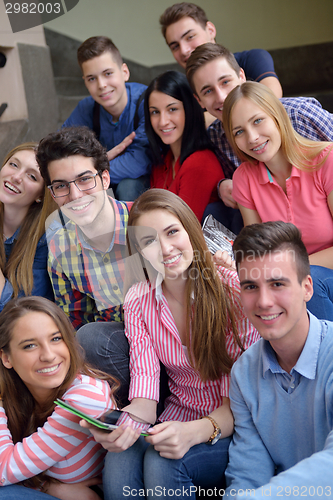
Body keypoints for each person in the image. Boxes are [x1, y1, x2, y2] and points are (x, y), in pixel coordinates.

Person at [81, 189, 259, 499]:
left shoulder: (233, 291)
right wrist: (124, 427)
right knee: (121, 459)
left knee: (162, 464)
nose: (164, 249)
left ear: (189, 229)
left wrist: (194, 432)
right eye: (149, 241)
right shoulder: (138, 299)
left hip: (234, 425)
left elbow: (245, 400)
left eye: (172, 232)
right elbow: (146, 392)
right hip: (176, 417)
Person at [224, 221, 333, 499]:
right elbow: (248, 473)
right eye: (250, 286)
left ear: (307, 287)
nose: (263, 301)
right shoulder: (243, 373)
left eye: (277, 284)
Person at [186, 43, 333, 231]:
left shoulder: (300, 113)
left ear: (241, 76)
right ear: (199, 101)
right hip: (272, 221)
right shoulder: (215, 137)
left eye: (225, 82)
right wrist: (222, 185)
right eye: (208, 91)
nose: (221, 97)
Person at [36, 127, 131, 406]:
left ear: (104, 179)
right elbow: (77, 320)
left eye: (85, 180)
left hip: (177, 348)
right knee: (87, 337)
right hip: (123, 357)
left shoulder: (146, 220)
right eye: (62, 186)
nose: (75, 195)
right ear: (53, 193)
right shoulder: (61, 248)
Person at [222, 81, 333, 320]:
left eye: (258, 121)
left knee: (308, 286)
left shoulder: (326, 160)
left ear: (277, 116)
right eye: (239, 131)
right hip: (284, 280)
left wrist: (288, 268)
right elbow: (257, 250)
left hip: (321, 278)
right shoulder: (244, 178)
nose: (252, 138)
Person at [0, 295, 117, 500]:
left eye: (56, 338)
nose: (48, 355)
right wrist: (50, 487)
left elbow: (3, 470)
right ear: (6, 358)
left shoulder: (85, 397)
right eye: (30, 345)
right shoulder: (17, 397)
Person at [62, 36, 151, 201]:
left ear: (124, 72)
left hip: (142, 179)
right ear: (85, 83)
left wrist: (94, 167)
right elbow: (62, 149)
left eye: (108, 73)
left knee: (128, 187)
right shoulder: (87, 108)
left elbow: (139, 161)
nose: (101, 85)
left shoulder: (147, 102)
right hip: (100, 179)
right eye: (92, 79)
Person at [145, 70, 224, 222]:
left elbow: (182, 227)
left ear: (189, 109)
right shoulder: (162, 161)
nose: (162, 121)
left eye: (172, 109)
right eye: (155, 112)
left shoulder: (200, 162)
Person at [159, 2, 282, 98]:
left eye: (190, 37)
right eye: (175, 46)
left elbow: (272, 98)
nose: (184, 50)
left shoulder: (252, 58)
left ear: (211, 30)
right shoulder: (180, 89)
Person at [0, 143, 54, 311]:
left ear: (40, 195)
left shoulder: (44, 239)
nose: (16, 177)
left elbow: (22, 311)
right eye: (14, 164)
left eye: (32, 176)